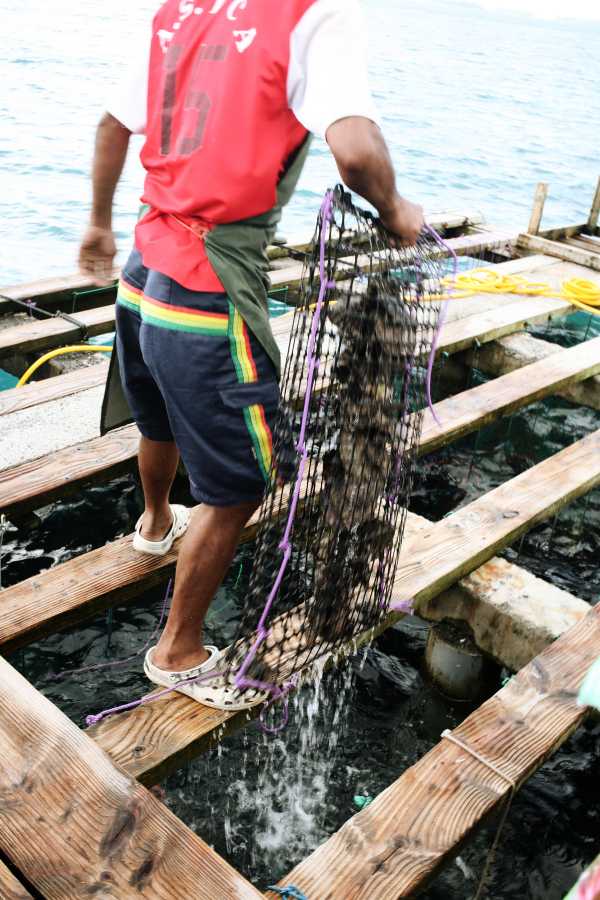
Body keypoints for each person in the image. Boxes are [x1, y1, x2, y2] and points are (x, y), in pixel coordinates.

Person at [78, 0, 424, 710]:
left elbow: (114, 123)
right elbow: (355, 151)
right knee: (237, 485)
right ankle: (178, 651)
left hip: (143, 270)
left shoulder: (184, 9)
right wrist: (396, 212)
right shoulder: (314, 14)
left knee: (161, 418)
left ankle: (152, 526)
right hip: (205, 291)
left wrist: (97, 227)